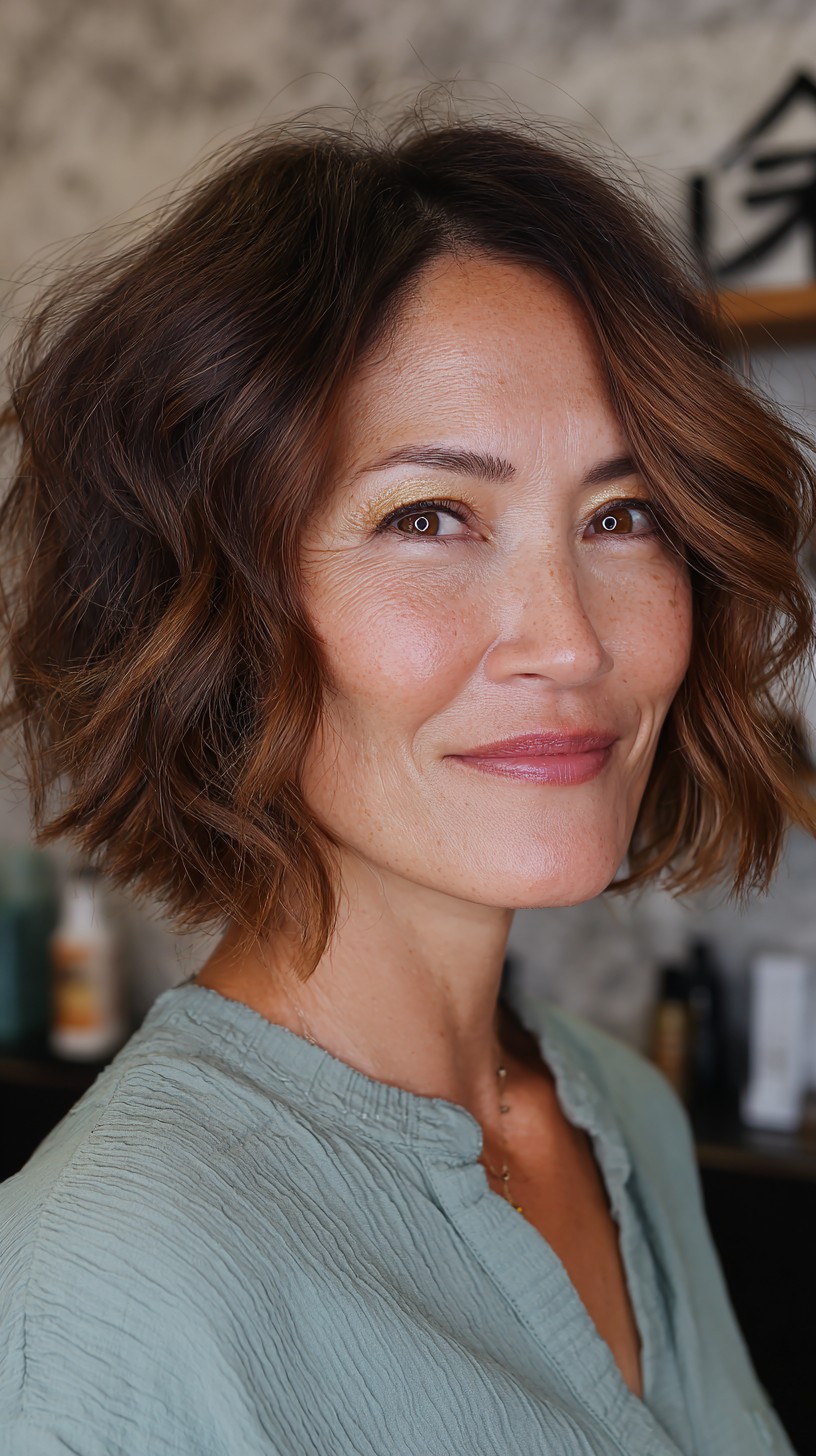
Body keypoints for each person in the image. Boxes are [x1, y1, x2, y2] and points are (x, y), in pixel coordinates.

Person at [0, 96, 814, 1456]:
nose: (571, 640)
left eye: (623, 515)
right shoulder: (97, 1296)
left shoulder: (625, 1113)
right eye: (429, 517)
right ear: (207, 606)